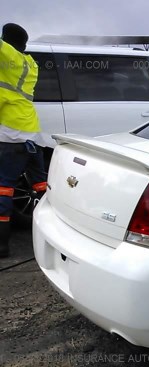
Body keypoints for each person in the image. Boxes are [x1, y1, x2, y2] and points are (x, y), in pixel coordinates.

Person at [0, 23, 47, 257]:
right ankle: (53, 231)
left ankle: (2, 245)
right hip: (32, 131)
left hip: (10, 134)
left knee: (4, 188)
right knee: (41, 186)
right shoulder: (31, 64)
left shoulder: (7, 54)